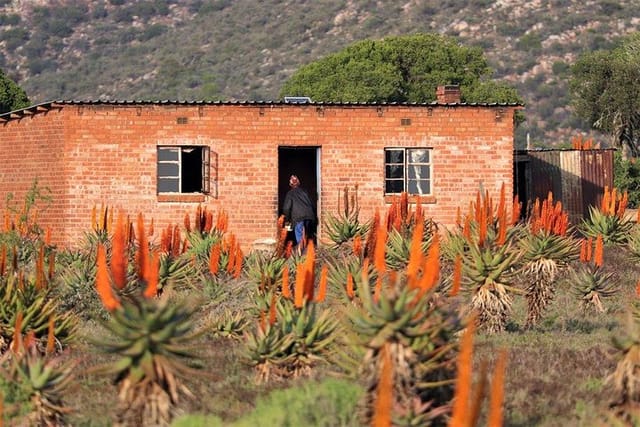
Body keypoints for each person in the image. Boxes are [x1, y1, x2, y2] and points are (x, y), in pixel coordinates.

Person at [282, 174, 317, 254]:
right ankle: (307, 250)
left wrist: (287, 219)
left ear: (290, 184)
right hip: (309, 216)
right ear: (298, 183)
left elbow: (286, 208)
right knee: (305, 234)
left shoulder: (290, 193)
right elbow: (312, 203)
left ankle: (302, 253)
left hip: (298, 217)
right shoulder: (305, 192)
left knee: (300, 236)